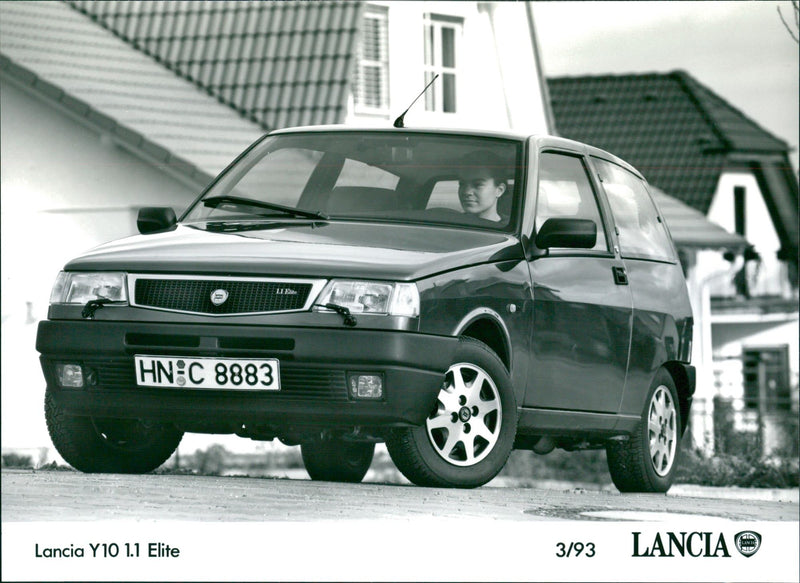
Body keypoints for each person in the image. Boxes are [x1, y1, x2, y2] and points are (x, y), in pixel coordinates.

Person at [457, 152, 508, 222]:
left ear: (499, 190)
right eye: (462, 184)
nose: (466, 192)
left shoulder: (509, 228)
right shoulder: (452, 222)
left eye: (478, 185)